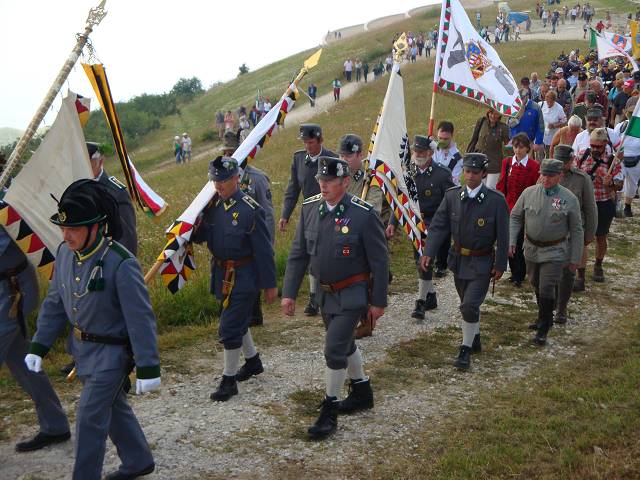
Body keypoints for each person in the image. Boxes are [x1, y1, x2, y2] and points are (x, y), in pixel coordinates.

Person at [26, 179, 160, 480]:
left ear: (97, 227)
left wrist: (149, 366)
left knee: (88, 417)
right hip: (82, 352)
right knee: (113, 408)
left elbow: (141, 319)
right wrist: (39, 345)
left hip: (112, 356)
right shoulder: (63, 253)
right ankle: (138, 459)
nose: (66, 234)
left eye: (74, 228)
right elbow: (55, 303)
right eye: (63, 227)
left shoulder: (120, 263)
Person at [281, 156, 388, 439]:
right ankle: (362, 390)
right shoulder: (310, 209)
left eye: (329, 180)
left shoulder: (363, 214)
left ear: (345, 182)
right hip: (325, 295)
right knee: (344, 343)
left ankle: (329, 411)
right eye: (320, 180)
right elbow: (299, 254)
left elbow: (380, 261)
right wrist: (289, 293)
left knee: (333, 350)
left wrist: (378, 301)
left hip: (353, 294)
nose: (323, 184)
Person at [192, 156, 277, 401]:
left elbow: (263, 251)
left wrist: (269, 285)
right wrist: (193, 227)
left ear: (235, 179)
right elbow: (203, 237)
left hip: (244, 276)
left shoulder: (250, 210)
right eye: (214, 180)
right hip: (221, 274)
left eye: (223, 181)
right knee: (236, 320)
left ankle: (228, 381)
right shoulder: (212, 207)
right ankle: (252, 361)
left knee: (229, 328)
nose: (217, 185)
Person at [420, 153, 509, 370]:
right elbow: (439, 226)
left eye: (475, 173)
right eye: (467, 171)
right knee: (467, 303)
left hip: (482, 263)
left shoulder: (495, 201)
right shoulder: (452, 197)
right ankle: (474, 337)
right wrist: (429, 251)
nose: (470, 176)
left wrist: (500, 264)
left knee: (468, 306)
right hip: (458, 260)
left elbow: (503, 235)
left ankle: (465, 350)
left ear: (484, 174)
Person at [0, 225, 71, 453]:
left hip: (11, 292)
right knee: (22, 360)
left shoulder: (2, 205)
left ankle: (55, 424)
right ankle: (55, 424)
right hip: (8, 291)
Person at [509, 159, 583, 345]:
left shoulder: (569, 199)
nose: (546, 179)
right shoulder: (529, 193)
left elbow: (576, 230)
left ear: (559, 176)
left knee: (547, 285)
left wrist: (575, 257)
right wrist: (511, 241)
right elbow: (516, 216)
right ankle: (546, 315)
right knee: (534, 281)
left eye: (550, 175)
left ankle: (543, 328)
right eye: (543, 174)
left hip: (555, 249)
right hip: (532, 248)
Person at [388, 135, 454, 319]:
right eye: (415, 151)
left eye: (422, 152)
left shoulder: (442, 174)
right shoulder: (408, 173)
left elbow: (450, 201)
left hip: (435, 224)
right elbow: (403, 200)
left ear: (431, 153)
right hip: (414, 222)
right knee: (419, 260)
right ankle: (430, 295)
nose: (418, 155)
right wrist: (393, 223)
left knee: (424, 259)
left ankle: (420, 302)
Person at [279, 124, 336, 316]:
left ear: (319, 140)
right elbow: (293, 189)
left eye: (310, 142)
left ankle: (325, 294)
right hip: (308, 215)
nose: (307, 146)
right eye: (304, 142)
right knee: (304, 253)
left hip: (329, 213)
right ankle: (313, 298)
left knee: (324, 255)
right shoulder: (298, 159)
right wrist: (285, 215)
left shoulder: (332, 159)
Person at [221, 130, 275, 327]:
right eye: (225, 152)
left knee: (249, 280)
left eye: (232, 152)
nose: (228, 156)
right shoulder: (221, 181)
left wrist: (269, 245)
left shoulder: (257, 178)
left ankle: (253, 316)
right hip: (230, 241)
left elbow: (267, 214)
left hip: (252, 240)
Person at [555, 144, 597, 313]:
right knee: (549, 272)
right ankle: (550, 303)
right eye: (559, 162)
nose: (562, 165)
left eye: (565, 162)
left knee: (566, 273)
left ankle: (561, 308)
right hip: (550, 232)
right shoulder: (546, 175)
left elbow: (590, 208)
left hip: (572, 233)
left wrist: (589, 234)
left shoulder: (582, 179)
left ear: (571, 161)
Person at [577, 128, 623, 283]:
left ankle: (598, 265)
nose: (595, 149)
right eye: (593, 146)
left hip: (603, 203)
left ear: (605, 144)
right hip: (584, 204)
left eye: (598, 146)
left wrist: (611, 184)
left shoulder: (612, 161)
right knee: (582, 239)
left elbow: (620, 184)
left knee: (600, 236)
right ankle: (580, 274)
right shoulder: (581, 155)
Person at [496, 133, 540, 287]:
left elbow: (536, 187)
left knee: (521, 240)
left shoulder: (534, 166)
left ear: (527, 148)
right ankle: (514, 272)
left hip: (526, 209)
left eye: (521, 147)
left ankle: (521, 273)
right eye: (515, 147)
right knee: (509, 240)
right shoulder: (507, 163)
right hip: (509, 207)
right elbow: (502, 184)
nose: (518, 150)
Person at [432, 121, 462, 277]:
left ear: (451, 136)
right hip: (430, 195)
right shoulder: (433, 149)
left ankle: (441, 264)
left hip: (446, 196)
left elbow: (454, 180)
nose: (441, 141)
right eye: (439, 137)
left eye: (445, 138)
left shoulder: (457, 157)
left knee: (444, 231)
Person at [338, 134, 384, 214]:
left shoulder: (371, 175)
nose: (343, 160)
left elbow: (373, 210)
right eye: (341, 156)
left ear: (360, 155)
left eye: (348, 156)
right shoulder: (335, 174)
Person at [466, 109, 510, 188]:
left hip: (494, 163)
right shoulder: (482, 122)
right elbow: (474, 139)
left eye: (496, 114)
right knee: (478, 187)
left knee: (490, 188)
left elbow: (508, 145)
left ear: (500, 115)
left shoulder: (503, 128)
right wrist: (468, 155)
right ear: (488, 112)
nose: (493, 116)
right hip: (479, 161)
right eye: (491, 113)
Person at [615, 97, 640, 217]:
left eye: (633, 112)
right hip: (621, 158)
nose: (631, 115)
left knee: (632, 184)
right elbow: (615, 140)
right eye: (629, 112)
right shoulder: (620, 126)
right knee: (618, 182)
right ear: (626, 112)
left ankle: (628, 206)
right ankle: (617, 204)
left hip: (636, 159)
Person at [541, 90, 567, 156]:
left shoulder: (559, 108)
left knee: (550, 155)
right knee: (540, 156)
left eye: (550, 101)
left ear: (554, 100)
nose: (548, 103)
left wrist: (554, 125)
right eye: (547, 101)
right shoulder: (541, 104)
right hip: (541, 136)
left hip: (553, 137)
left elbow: (564, 122)